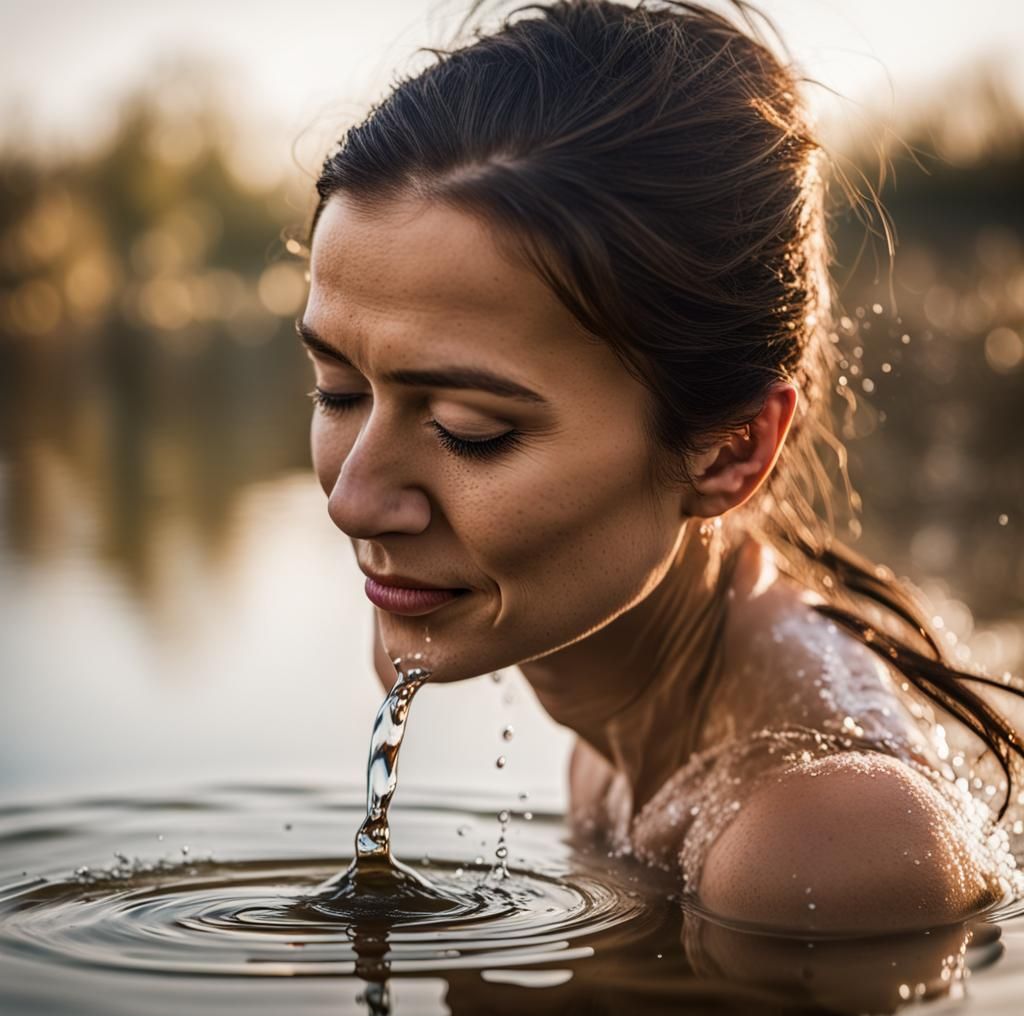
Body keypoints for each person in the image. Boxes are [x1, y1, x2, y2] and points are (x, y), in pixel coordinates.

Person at [297, 0, 1022, 934]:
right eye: (337, 392)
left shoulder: (819, 842)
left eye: (470, 430)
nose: (354, 502)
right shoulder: (628, 691)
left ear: (731, 450)